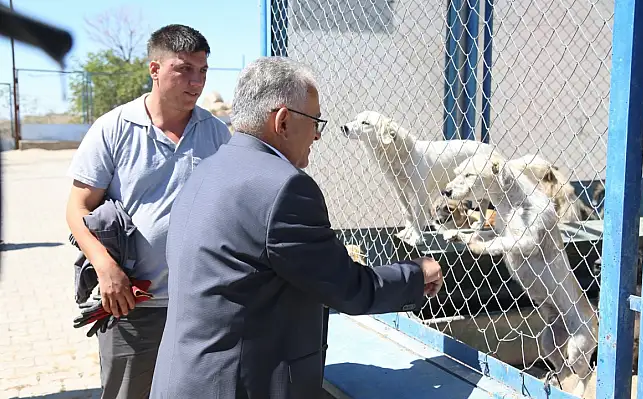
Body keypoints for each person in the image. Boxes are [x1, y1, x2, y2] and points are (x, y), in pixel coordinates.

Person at [148, 56, 444, 399]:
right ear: (284, 121)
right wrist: (417, 272)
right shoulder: (285, 187)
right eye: (315, 121)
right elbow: (347, 287)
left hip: (184, 378)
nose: (318, 135)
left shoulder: (206, 170)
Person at [65, 24, 232, 399]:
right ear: (154, 69)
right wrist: (106, 269)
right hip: (131, 303)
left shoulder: (217, 135)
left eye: (203, 71)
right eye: (184, 69)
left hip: (198, 304)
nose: (196, 81)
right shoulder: (113, 129)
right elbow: (77, 209)